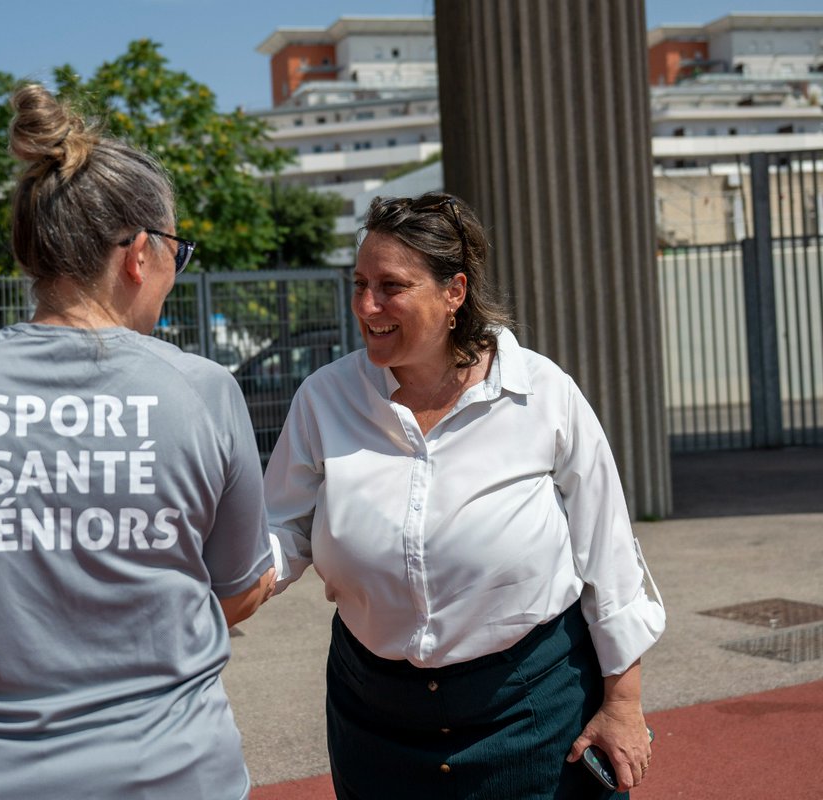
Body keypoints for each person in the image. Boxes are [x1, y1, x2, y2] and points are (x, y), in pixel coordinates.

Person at [0, 84, 275, 800]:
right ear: (139, 253)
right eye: (177, 251)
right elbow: (239, 587)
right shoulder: (203, 390)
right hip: (173, 776)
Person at [263, 193, 666, 799]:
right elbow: (282, 527)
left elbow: (607, 555)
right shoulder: (325, 399)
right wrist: (222, 585)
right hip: (375, 713)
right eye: (360, 283)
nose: (367, 305)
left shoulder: (542, 393)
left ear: (454, 292)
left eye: (391, 286)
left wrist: (623, 704)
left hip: (530, 709)